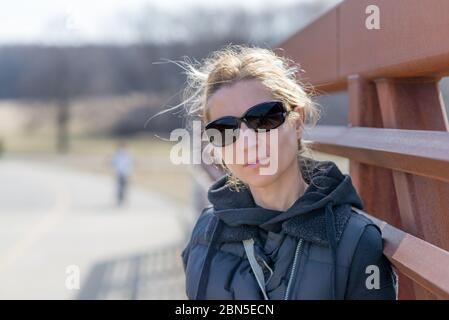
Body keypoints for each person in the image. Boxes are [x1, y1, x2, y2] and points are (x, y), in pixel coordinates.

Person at [180, 45, 398, 299]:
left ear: (297, 122)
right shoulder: (205, 232)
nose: (247, 142)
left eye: (263, 119)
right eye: (226, 129)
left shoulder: (355, 240)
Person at [111, 141, 133, 206]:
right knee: (121, 187)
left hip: (123, 173)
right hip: (121, 173)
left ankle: (121, 199)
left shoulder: (124, 154)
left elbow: (129, 164)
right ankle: (120, 199)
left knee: (122, 187)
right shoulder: (120, 154)